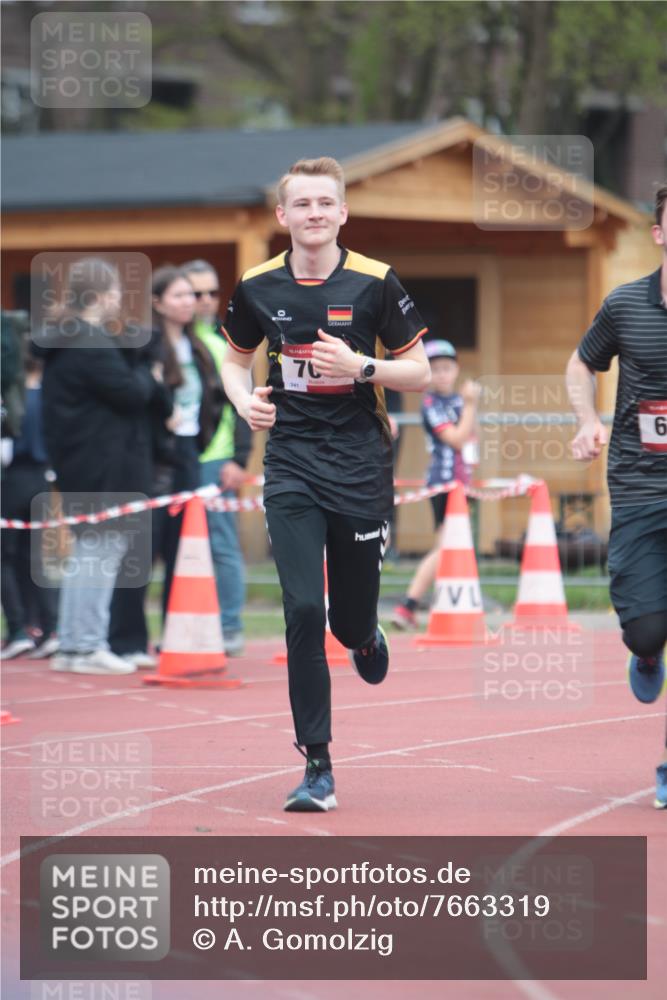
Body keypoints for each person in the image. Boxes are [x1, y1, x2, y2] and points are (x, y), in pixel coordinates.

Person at [222, 156, 429, 812]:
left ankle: (365, 633)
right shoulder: (257, 284)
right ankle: (317, 765)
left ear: (341, 213)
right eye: (301, 204)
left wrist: (361, 365)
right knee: (304, 610)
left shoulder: (374, 281)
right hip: (291, 462)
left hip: (360, 463)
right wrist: (243, 401)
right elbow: (233, 358)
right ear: (282, 215)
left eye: (324, 203)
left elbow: (420, 371)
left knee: (345, 620)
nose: (313, 213)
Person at [566, 181, 667, 810]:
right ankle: (647, 652)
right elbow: (582, 364)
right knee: (646, 629)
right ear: (658, 233)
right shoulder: (626, 304)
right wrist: (586, 420)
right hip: (637, 486)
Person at [40, 257, 165, 675]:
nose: (118, 300)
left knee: (90, 551)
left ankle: (74, 644)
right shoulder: (88, 342)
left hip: (81, 461)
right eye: (114, 292)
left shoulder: (68, 338)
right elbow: (130, 393)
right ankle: (85, 645)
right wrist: (150, 373)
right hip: (101, 465)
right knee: (100, 551)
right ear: (97, 296)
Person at [108, 267, 223, 664]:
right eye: (179, 295)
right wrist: (163, 418)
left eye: (192, 295)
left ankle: (176, 638)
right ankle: (126, 640)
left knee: (183, 549)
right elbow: (136, 397)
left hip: (189, 453)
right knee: (142, 549)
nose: (190, 302)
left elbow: (215, 398)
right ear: (157, 302)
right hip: (152, 456)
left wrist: (201, 437)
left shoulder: (199, 346)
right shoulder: (145, 344)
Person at [182, 259, 253, 656]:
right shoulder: (166, 342)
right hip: (175, 460)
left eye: (212, 292)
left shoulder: (226, 342)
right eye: (197, 293)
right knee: (179, 548)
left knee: (222, 545)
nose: (206, 300)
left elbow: (245, 403)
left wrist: (240, 459)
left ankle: (229, 627)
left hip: (216, 459)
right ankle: (184, 628)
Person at [392, 339, 480, 629]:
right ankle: (409, 603)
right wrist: (471, 406)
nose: (442, 374)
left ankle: (437, 604)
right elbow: (456, 439)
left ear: (457, 369)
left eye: (447, 368)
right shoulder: (431, 403)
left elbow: (472, 440)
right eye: (436, 369)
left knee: (454, 545)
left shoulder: (458, 401)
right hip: (443, 483)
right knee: (446, 546)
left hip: (461, 483)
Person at [1, 350, 59, 659]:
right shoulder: (49, 397)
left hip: (13, 479)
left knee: (4, 557)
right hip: (42, 479)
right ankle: (48, 627)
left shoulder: (13, 400)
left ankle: (18, 629)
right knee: (34, 558)